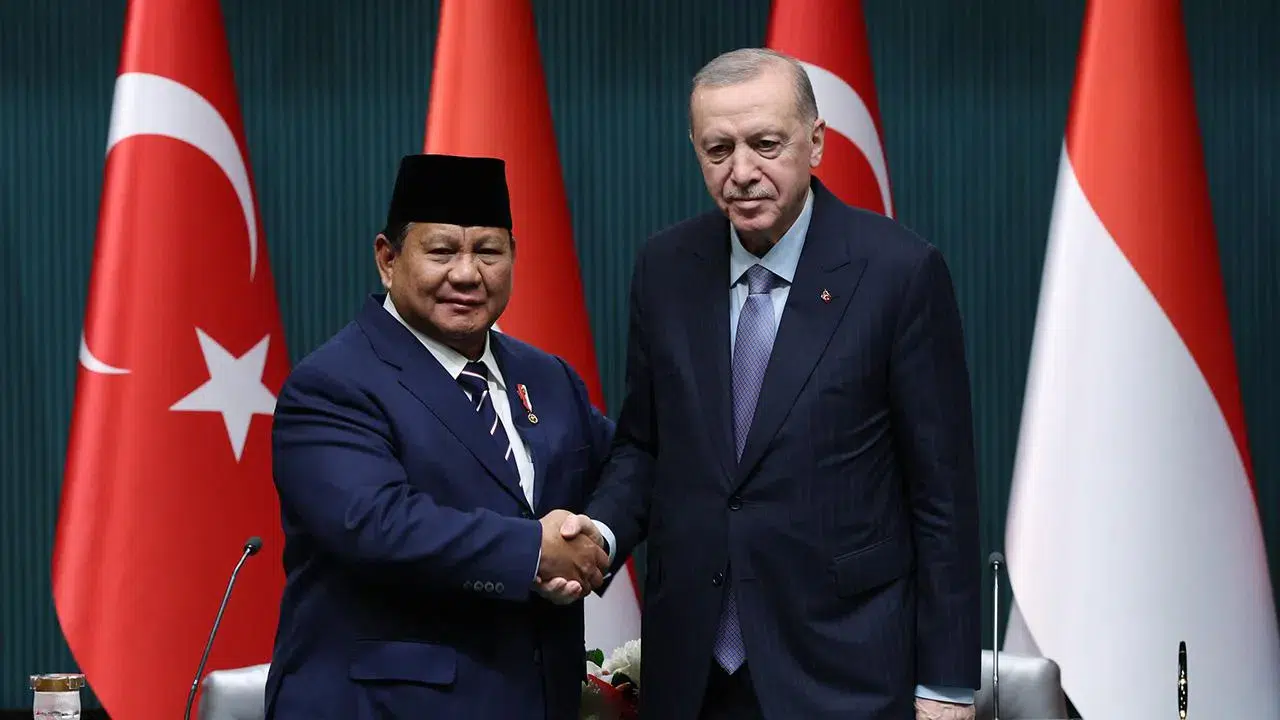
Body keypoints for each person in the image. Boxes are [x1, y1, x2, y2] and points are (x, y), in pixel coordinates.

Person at [557, 48, 982, 719]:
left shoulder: (899, 273)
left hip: (842, 669)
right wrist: (599, 537)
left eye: (765, 144)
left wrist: (946, 686)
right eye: (718, 149)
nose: (742, 172)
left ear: (816, 142)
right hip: (692, 671)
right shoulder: (665, 267)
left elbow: (942, 497)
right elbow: (645, 444)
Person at [263, 153, 613, 720]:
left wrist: (600, 539)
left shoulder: (548, 377)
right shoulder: (332, 383)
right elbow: (378, 524)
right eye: (442, 251)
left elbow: (626, 467)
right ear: (388, 259)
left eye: (488, 252)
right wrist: (534, 551)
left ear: (514, 256)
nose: (467, 274)